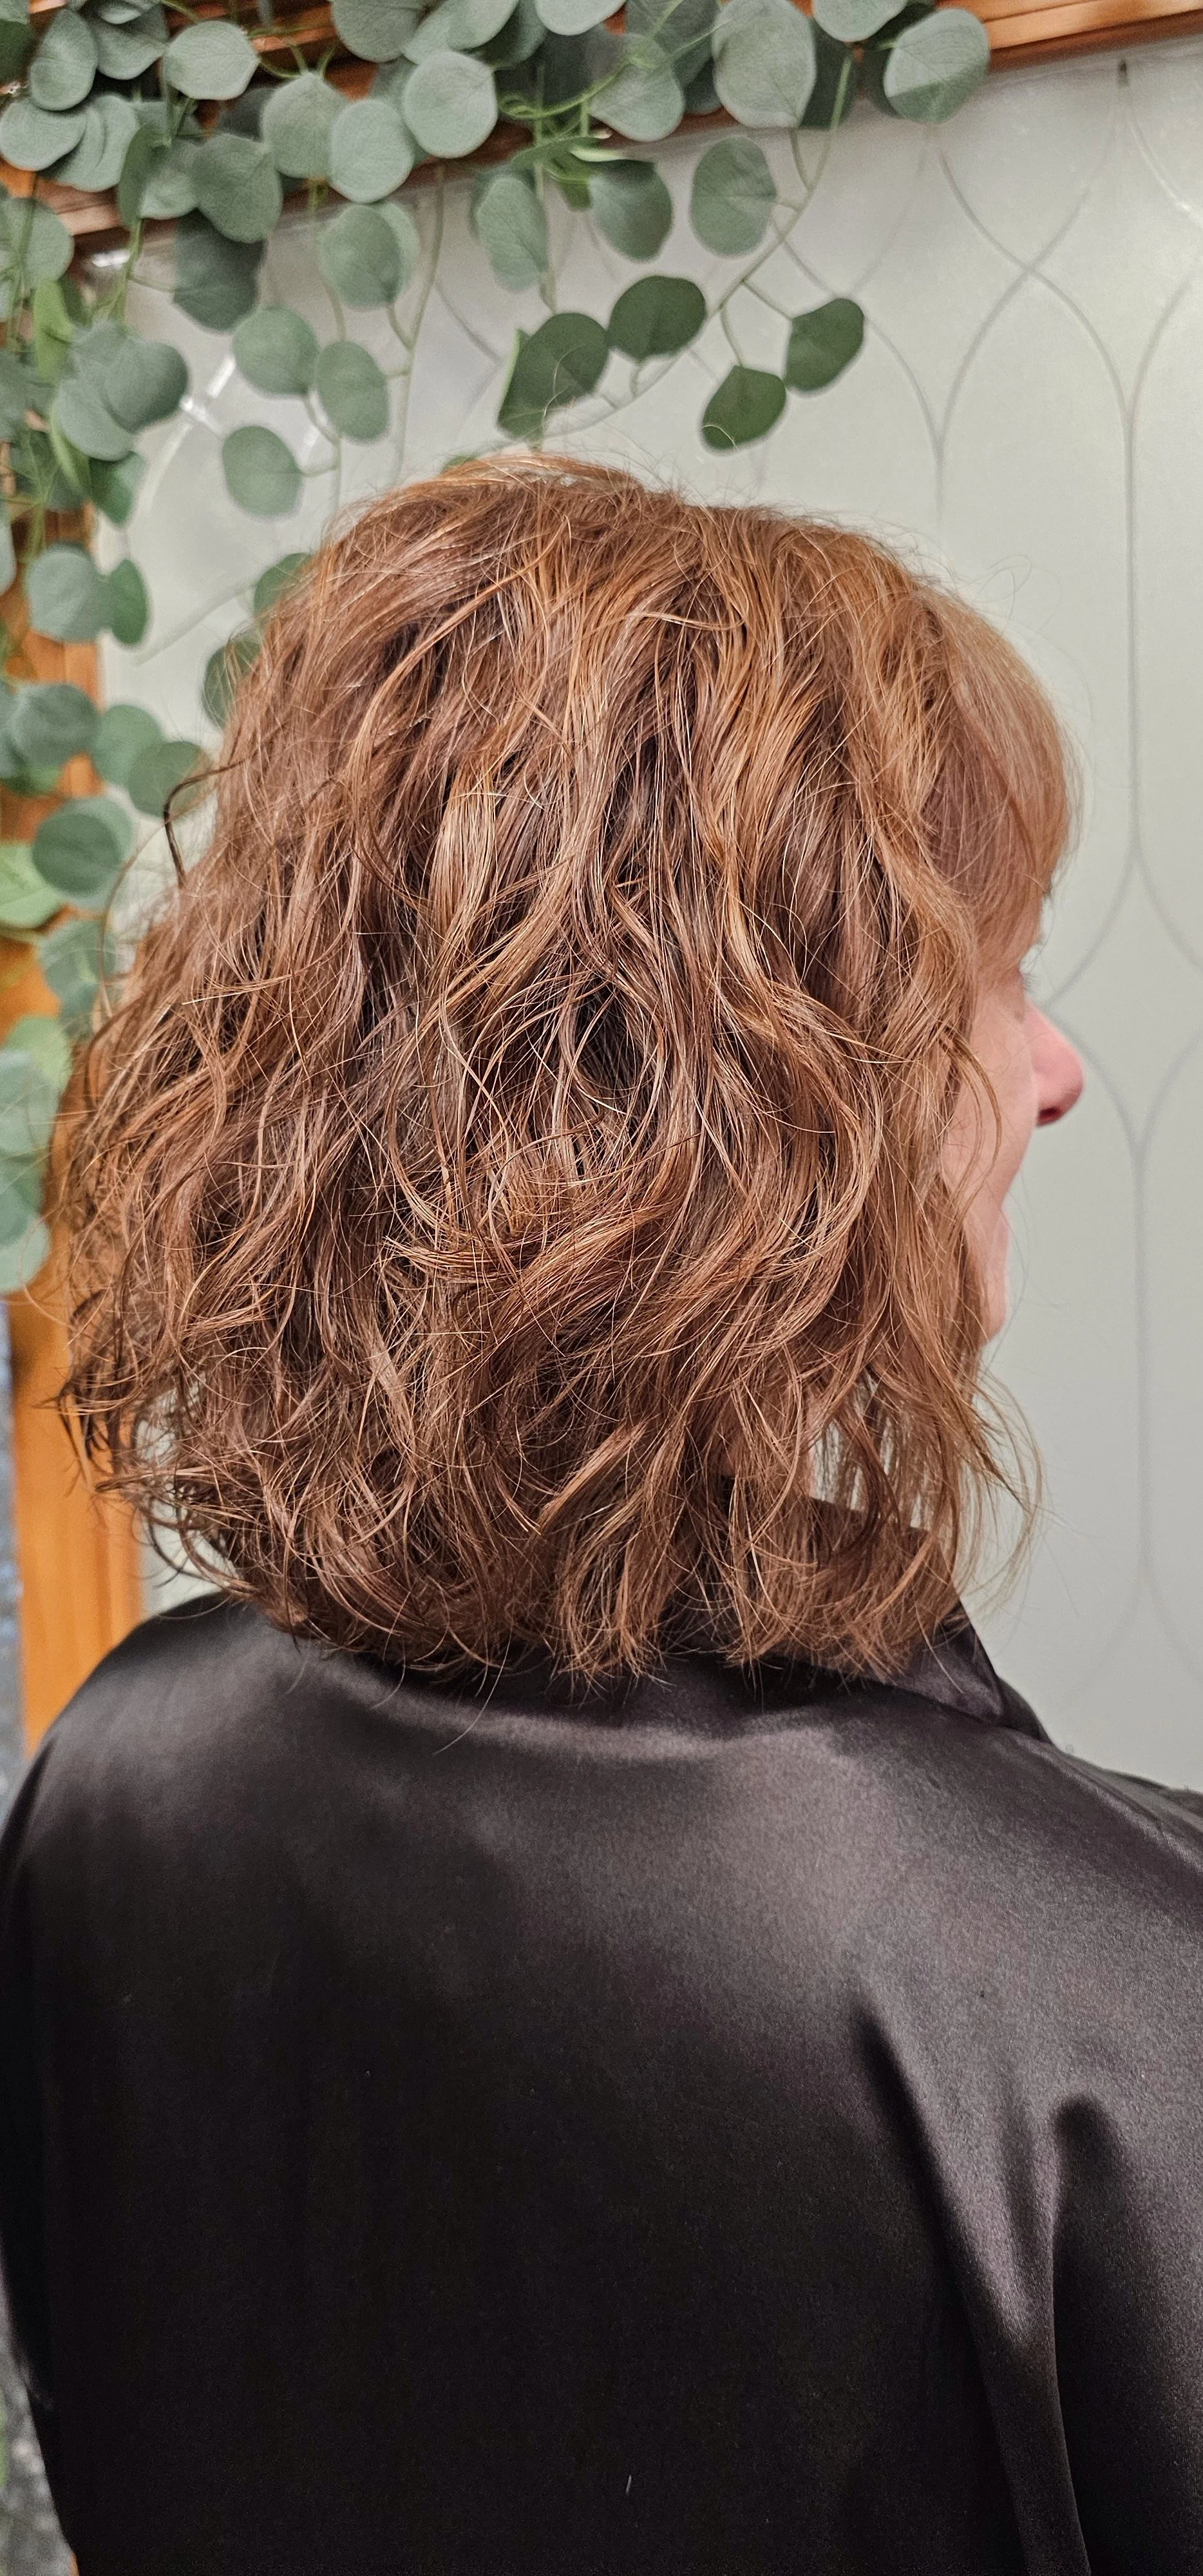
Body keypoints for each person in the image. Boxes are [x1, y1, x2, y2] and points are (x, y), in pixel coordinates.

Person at [0, 457, 1197, 2576]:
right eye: (993, 980)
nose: (1050, 1068)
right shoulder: (1098, 2005)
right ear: (751, 1103)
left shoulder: (119, 1765)